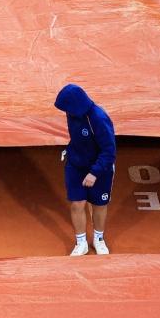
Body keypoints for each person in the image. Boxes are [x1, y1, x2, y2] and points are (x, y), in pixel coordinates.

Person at [54, 83, 116, 256]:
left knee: (99, 204)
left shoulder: (98, 118)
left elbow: (109, 151)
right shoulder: (72, 112)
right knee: (77, 203)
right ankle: (81, 242)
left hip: (100, 168)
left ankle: (99, 239)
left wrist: (94, 172)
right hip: (75, 164)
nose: (65, 111)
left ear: (76, 104)